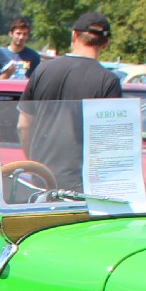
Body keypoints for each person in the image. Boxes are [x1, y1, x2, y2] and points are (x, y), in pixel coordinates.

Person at [18, 12, 123, 193]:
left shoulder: (42, 70)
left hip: (42, 180)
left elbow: (23, 125)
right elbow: (109, 141)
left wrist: (35, 165)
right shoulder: (108, 81)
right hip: (83, 184)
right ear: (106, 43)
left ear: (74, 35)